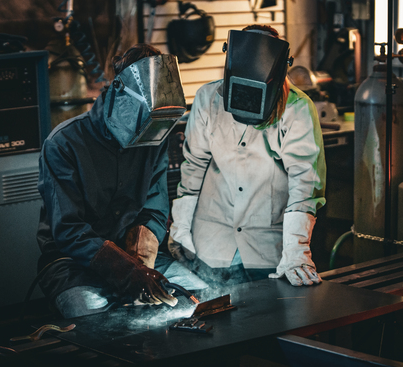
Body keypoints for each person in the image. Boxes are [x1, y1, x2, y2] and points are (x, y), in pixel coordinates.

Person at [36, 44, 208, 319]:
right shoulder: (64, 143)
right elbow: (69, 230)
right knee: (98, 320)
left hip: (139, 260)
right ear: (118, 93)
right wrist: (128, 272)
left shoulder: (154, 138)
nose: (150, 134)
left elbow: (153, 209)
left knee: (201, 301)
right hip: (74, 264)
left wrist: (140, 266)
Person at [168, 25, 326, 287]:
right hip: (211, 244)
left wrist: (296, 251)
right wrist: (181, 227)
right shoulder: (208, 98)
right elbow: (194, 165)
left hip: (266, 251)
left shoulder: (297, 108)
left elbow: (305, 185)